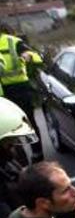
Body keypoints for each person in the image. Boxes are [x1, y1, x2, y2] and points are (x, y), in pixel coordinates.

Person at [0, 23, 44, 161]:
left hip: (20, 89)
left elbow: (34, 55)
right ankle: (20, 159)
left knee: (28, 122)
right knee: (9, 129)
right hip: (3, 94)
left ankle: (37, 155)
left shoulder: (11, 41)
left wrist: (27, 56)